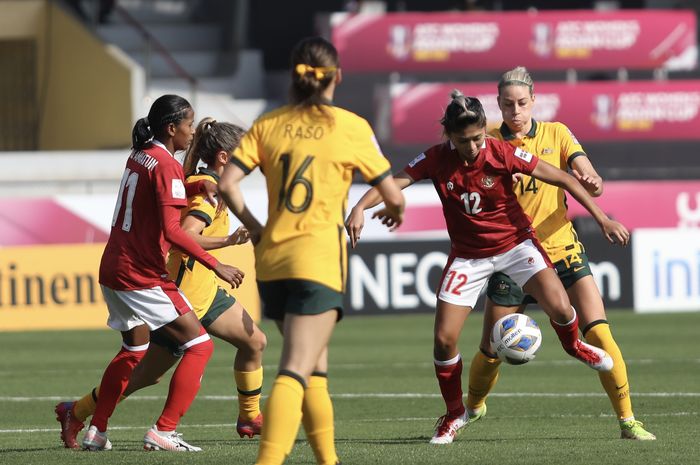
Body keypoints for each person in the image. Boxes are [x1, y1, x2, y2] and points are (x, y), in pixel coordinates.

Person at [345, 91, 630, 445]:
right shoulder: (436, 159)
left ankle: (576, 347)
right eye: (464, 141)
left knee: (560, 306)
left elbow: (563, 178)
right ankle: (454, 414)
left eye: (479, 137)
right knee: (443, 340)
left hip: (515, 245)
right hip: (468, 256)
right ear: (449, 136)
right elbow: (396, 181)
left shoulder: (500, 151)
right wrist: (359, 207)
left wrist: (602, 218)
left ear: (484, 130)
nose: (473, 147)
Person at [217, 36, 405, 465]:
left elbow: (227, 184)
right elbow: (392, 195)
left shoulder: (268, 124)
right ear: (336, 76)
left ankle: (329, 460)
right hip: (317, 261)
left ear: (295, 78)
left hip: (272, 261)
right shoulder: (351, 126)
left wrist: (256, 227)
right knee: (296, 368)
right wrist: (395, 210)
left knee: (316, 367)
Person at [463, 67, 656, 440]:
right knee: (490, 349)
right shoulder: (486, 142)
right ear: (498, 105)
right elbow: (474, 191)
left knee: (600, 334)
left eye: (521, 103)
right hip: (513, 257)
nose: (515, 111)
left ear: (534, 101)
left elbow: (587, 178)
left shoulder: (557, 133)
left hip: (562, 251)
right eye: (507, 104)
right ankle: (472, 407)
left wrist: (592, 180)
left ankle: (628, 421)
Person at [54, 118, 268, 449]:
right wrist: (224, 246)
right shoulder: (206, 196)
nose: (250, 160)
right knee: (145, 375)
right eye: (244, 155)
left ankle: (249, 417)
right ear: (224, 158)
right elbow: (185, 236)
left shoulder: (209, 183)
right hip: (183, 295)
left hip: (205, 293)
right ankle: (79, 411)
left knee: (254, 341)